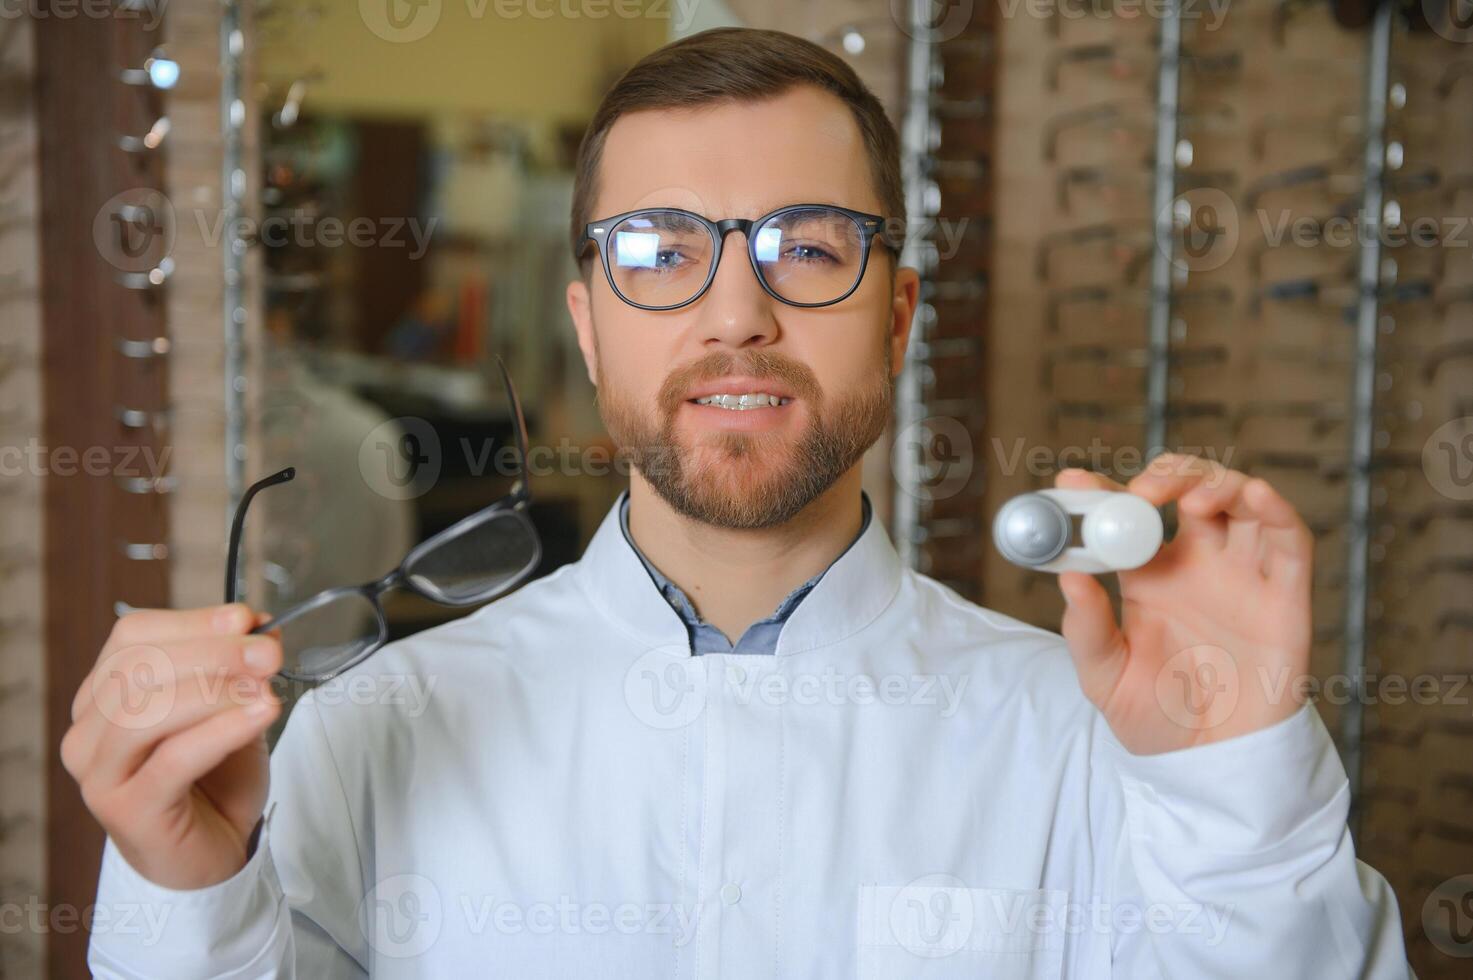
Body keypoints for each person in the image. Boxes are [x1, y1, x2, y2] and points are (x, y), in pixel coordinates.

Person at [67, 27, 1409, 979]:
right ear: (588, 330)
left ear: (894, 317)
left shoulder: (1093, 745)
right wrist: (187, 889)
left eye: (806, 247)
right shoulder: (373, 733)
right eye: (659, 254)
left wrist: (1234, 791)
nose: (734, 314)